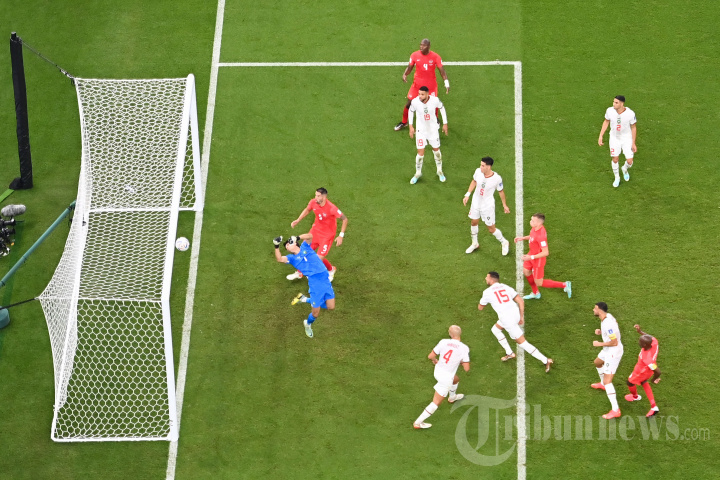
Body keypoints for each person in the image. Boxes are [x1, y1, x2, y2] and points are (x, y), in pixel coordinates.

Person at [478, 271, 553, 372]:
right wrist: (521, 317)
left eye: (487, 277)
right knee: (495, 329)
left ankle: (545, 360)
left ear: (491, 279)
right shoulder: (505, 287)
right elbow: (520, 301)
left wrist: (483, 303)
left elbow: (480, 308)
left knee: (522, 343)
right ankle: (509, 353)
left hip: (507, 320)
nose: (485, 279)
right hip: (515, 314)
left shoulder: (487, 292)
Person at [274, 234, 335, 338]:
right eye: (286, 246)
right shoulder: (292, 258)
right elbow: (279, 259)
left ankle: (304, 299)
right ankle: (307, 324)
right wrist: (276, 246)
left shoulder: (305, 246)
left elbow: (310, 236)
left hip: (325, 280)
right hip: (315, 285)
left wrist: (297, 237)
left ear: (295, 243)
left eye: (289, 243)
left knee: (331, 307)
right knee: (315, 314)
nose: (287, 246)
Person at [413, 325, 469, 429]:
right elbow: (466, 368)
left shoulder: (443, 342)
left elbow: (430, 356)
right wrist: (460, 361)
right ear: (460, 333)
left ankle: (452, 397)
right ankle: (418, 423)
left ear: (450, 334)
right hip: (446, 378)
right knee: (436, 403)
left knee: (456, 379)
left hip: (438, 371)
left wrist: (435, 360)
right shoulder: (464, 348)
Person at [288, 187, 348, 282]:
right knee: (303, 251)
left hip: (327, 236)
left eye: (318, 196)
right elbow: (307, 209)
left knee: (317, 259)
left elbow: (344, 219)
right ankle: (300, 272)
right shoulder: (313, 202)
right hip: (314, 232)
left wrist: (341, 235)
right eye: (315, 195)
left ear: (324, 197)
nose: (316, 198)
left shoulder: (332, 208)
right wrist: (298, 220)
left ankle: (331, 269)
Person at [395, 38, 449, 131]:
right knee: (409, 103)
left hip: (431, 86)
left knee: (434, 104)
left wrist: (446, 82)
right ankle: (404, 122)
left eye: (424, 45)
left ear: (429, 46)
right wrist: (405, 74)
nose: (421, 47)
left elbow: (442, 71)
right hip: (417, 86)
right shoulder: (414, 55)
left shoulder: (436, 57)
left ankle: (435, 119)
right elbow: (410, 67)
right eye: (421, 45)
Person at [514, 213, 571, 300]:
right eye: (531, 219)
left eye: (533, 221)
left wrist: (531, 257)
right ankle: (535, 293)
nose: (530, 221)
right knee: (526, 271)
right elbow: (532, 236)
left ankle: (564, 285)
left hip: (538, 260)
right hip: (531, 255)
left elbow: (546, 252)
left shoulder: (541, 236)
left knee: (539, 283)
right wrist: (523, 238)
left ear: (539, 223)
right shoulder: (535, 228)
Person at [463, 157, 510, 255]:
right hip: (475, 203)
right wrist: (467, 194)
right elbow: (474, 181)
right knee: (474, 222)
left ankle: (504, 242)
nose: (480, 167)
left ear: (488, 167)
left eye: (483, 166)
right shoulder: (478, 172)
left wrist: (504, 205)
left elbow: (501, 192)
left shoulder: (497, 178)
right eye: (481, 165)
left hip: (487, 206)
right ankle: (475, 243)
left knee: (491, 229)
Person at [590, 302, 625, 419]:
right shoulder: (608, 316)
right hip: (608, 350)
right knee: (598, 362)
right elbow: (614, 328)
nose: (593, 310)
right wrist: (602, 332)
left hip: (613, 352)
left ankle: (616, 410)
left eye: (595, 308)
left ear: (600, 310)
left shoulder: (608, 323)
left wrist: (599, 343)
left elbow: (614, 342)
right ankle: (602, 384)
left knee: (608, 381)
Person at [408, 86, 448, 184]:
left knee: (436, 151)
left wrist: (445, 123)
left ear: (427, 94)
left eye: (422, 94)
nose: (420, 96)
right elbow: (411, 111)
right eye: (419, 94)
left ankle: (439, 171)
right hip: (420, 131)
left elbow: (442, 108)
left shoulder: (435, 100)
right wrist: (411, 126)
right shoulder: (415, 102)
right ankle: (418, 173)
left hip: (433, 130)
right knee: (420, 154)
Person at [598, 95, 637, 188]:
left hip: (626, 138)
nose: (614, 104)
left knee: (630, 161)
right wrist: (601, 135)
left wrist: (633, 142)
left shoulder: (630, 113)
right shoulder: (609, 111)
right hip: (614, 138)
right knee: (615, 159)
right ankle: (617, 177)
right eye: (613, 102)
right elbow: (606, 121)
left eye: (616, 103)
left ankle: (624, 169)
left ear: (622, 104)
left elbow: (633, 127)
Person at [625, 324, 661, 417]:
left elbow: (658, 371)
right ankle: (654, 407)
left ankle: (635, 397)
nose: (639, 342)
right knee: (644, 382)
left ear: (645, 345)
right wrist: (640, 332)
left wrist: (654, 379)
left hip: (641, 372)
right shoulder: (654, 342)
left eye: (640, 341)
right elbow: (650, 337)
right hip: (647, 371)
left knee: (630, 382)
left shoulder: (647, 358)